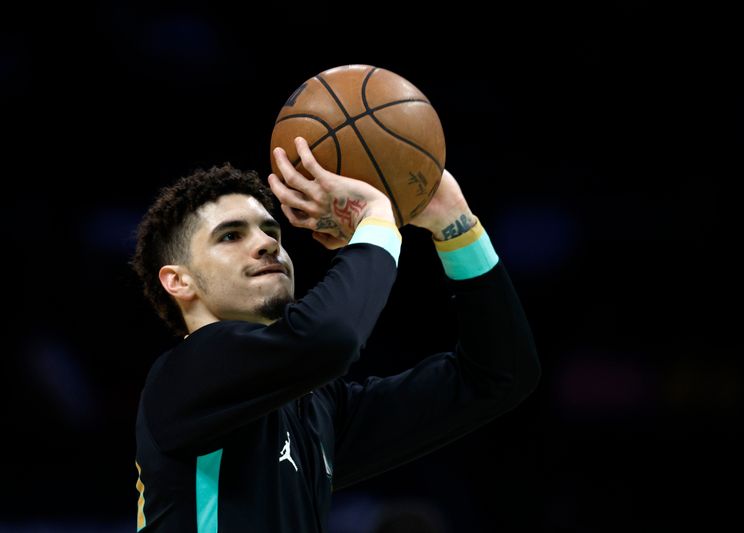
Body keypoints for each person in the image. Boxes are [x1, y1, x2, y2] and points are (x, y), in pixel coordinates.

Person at [130, 136, 541, 532]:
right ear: (179, 282)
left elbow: (500, 375)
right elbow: (331, 336)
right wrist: (375, 216)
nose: (266, 245)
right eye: (231, 236)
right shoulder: (187, 373)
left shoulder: (313, 408)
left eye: (271, 232)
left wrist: (454, 223)